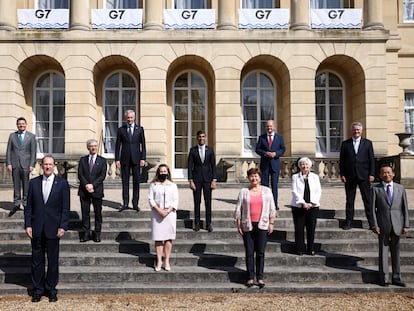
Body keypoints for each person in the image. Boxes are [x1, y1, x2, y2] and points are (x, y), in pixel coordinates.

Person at [24, 155, 70, 303]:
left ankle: (51, 289)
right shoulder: (33, 183)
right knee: (36, 261)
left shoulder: (62, 183)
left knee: (52, 261)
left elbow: (65, 207)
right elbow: (29, 206)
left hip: (53, 228)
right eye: (45, 164)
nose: (48, 167)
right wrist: (28, 224)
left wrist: (63, 226)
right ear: (41, 166)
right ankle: (37, 290)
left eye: (50, 164)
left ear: (54, 165)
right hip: (36, 227)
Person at [234, 167, 276, 289]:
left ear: (260, 177)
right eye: (252, 176)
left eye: (256, 176)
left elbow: (272, 208)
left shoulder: (267, 191)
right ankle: (250, 277)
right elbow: (238, 210)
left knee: (261, 252)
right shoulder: (243, 192)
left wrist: (271, 223)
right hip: (248, 224)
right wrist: (239, 225)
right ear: (248, 178)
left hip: (262, 224)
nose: (254, 178)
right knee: (249, 252)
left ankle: (260, 277)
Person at [369, 165, 409, 287]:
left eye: (388, 172)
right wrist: (374, 225)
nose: (386, 174)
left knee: (396, 252)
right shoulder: (376, 189)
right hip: (383, 224)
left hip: (397, 223)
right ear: (380, 175)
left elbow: (405, 208)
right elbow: (372, 209)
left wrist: (406, 224)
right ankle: (384, 278)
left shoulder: (400, 188)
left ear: (393, 174)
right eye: (384, 173)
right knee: (383, 251)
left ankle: (396, 277)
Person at [339, 121, 375, 230]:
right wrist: (343, 174)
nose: (356, 131)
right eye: (355, 129)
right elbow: (342, 161)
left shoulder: (368, 143)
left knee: (368, 200)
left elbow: (372, 160)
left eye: (358, 130)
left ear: (361, 131)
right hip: (350, 176)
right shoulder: (345, 144)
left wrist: (372, 174)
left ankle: (372, 223)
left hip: (364, 175)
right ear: (352, 130)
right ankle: (349, 222)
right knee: (350, 201)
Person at [148, 164, 179, 272]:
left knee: (168, 238)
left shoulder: (173, 185)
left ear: (168, 173)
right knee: (158, 238)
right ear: (158, 173)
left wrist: (168, 211)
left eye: (165, 171)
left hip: (169, 214)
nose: (163, 173)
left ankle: (166, 260)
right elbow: (151, 199)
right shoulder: (153, 185)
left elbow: (175, 200)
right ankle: (159, 260)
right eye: (161, 171)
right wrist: (159, 210)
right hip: (157, 214)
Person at [115, 110, 146, 212]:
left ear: (134, 118)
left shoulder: (140, 129)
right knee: (125, 182)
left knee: (136, 182)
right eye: (128, 117)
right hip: (124, 159)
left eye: (131, 117)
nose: (129, 119)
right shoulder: (121, 130)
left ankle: (135, 204)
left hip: (136, 159)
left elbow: (143, 145)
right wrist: (117, 159)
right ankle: (125, 203)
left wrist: (143, 158)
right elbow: (117, 146)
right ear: (125, 118)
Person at [78, 139, 107, 243]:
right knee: (85, 213)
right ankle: (86, 233)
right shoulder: (82, 160)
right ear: (88, 148)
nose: (93, 147)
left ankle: (97, 233)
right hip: (84, 191)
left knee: (97, 213)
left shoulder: (102, 161)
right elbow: (80, 174)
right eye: (91, 146)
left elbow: (102, 176)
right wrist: (86, 185)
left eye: (95, 145)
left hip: (97, 190)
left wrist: (92, 185)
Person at [290, 157, 321, 256]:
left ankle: (310, 248)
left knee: (311, 228)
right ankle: (299, 248)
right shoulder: (295, 177)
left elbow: (318, 191)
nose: (305, 166)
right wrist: (303, 203)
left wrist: (312, 203)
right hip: (298, 206)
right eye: (303, 164)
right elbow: (294, 191)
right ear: (300, 166)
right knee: (299, 228)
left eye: (306, 164)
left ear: (310, 166)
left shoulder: (315, 177)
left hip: (313, 206)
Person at [6, 117, 37, 217]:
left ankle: (26, 203)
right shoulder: (12, 136)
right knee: (16, 184)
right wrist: (9, 163)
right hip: (15, 164)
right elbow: (9, 151)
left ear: (26, 124)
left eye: (23, 123)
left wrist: (32, 164)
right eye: (19, 124)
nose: (21, 125)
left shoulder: (31, 136)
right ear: (17, 125)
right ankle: (16, 203)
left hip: (26, 164)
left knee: (26, 184)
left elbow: (33, 152)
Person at [188, 130, 217, 232]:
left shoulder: (210, 150)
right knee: (197, 202)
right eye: (200, 136)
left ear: (205, 137)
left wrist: (214, 180)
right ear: (197, 138)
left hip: (208, 180)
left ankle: (208, 223)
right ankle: (197, 223)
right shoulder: (192, 150)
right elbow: (190, 166)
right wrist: (190, 180)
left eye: (203, 136)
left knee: (208, 202)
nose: (201, 138)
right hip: (196, 180)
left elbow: (213, 166)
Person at [255, 120, 286, 209]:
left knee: (274, 186)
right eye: (268, 126)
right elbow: (257, 149)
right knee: (264, 186)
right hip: (265, 165)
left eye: (271, 126)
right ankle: (264, 204)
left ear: (274, 127)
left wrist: (276, 153)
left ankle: (274, 204)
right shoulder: (262, 137)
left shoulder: (279, 137)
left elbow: (283, 149)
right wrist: (265, 153)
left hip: (275, 164)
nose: (269, 128)